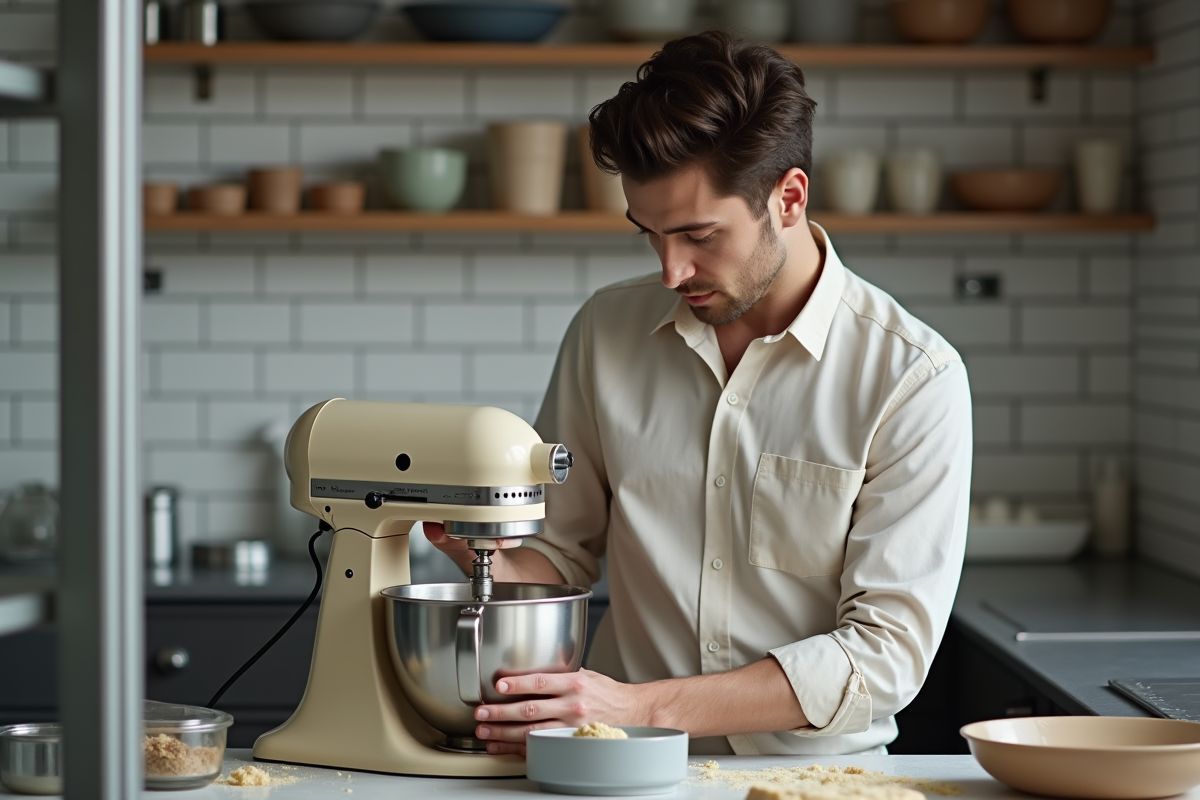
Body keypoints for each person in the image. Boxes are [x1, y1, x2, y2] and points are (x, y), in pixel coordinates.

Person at [426, 30, 972, 757]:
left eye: (698, 235)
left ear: (789, 198)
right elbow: (559, 557)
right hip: (618, 767)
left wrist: (639, 706)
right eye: (649, 235)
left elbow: (883, 658)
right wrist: (475, 545)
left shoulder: (912, 378)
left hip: (815, 782)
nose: (671, 272)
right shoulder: (603, 333)